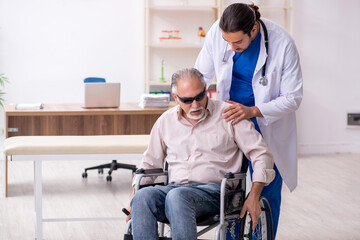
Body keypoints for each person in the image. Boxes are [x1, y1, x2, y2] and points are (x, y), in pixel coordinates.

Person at [194, 3, 303, 239]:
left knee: (266, 190)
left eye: (238, 43)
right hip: (231, 123)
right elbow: (201, 74)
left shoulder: (282, 43)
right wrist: (189, 100)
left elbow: (293, 97)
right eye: (227, 43)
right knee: (231, 187)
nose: (231, 48)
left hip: (266, 123)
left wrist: (253, 110)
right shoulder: (217, 32)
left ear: (253, 30)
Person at [126, 68, 275, 240]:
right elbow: (149, 164)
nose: (195, 105)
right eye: (187, 100)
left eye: (199, 97)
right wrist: (133, 196)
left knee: (177, 196)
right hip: (174, 190)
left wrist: (255, 195)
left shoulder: (229, 114)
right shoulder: (165, 122)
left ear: (205, 88)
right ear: (176, 98)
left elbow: (261, 154)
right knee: (143, 197)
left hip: (217, 194)